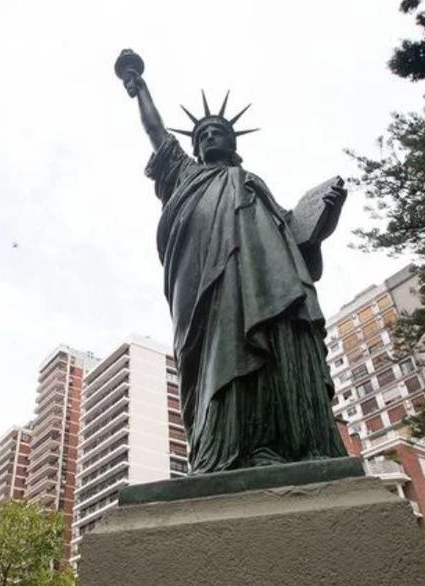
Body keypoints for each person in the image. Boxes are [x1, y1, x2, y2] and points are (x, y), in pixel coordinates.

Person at [120, 70, 348, 474]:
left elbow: (293, 238)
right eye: (202, 134)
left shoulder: (252, 183)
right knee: (225, 353)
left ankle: (288, 442)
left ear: (234, 143)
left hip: (265, 283)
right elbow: (156, 131)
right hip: (210, 287)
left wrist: (322, 221)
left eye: (218, 132)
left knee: (276, 350)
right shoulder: (184, 176)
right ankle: (232, 448)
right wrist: (139, 86)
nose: (209, 137)